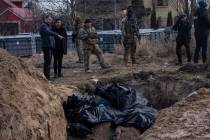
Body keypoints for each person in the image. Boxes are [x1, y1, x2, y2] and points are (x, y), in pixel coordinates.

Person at [39, 15, 64, 80]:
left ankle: (47, 76)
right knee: (47, 62)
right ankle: (47, 77)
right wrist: (57, 35)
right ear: (46, 19)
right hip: (46, 46)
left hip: (49, 46)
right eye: (49, 19)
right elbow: (48, 32)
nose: (50, 21)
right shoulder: (43, 26)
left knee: (48, 62)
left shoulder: (47, 26)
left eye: (51, 20)